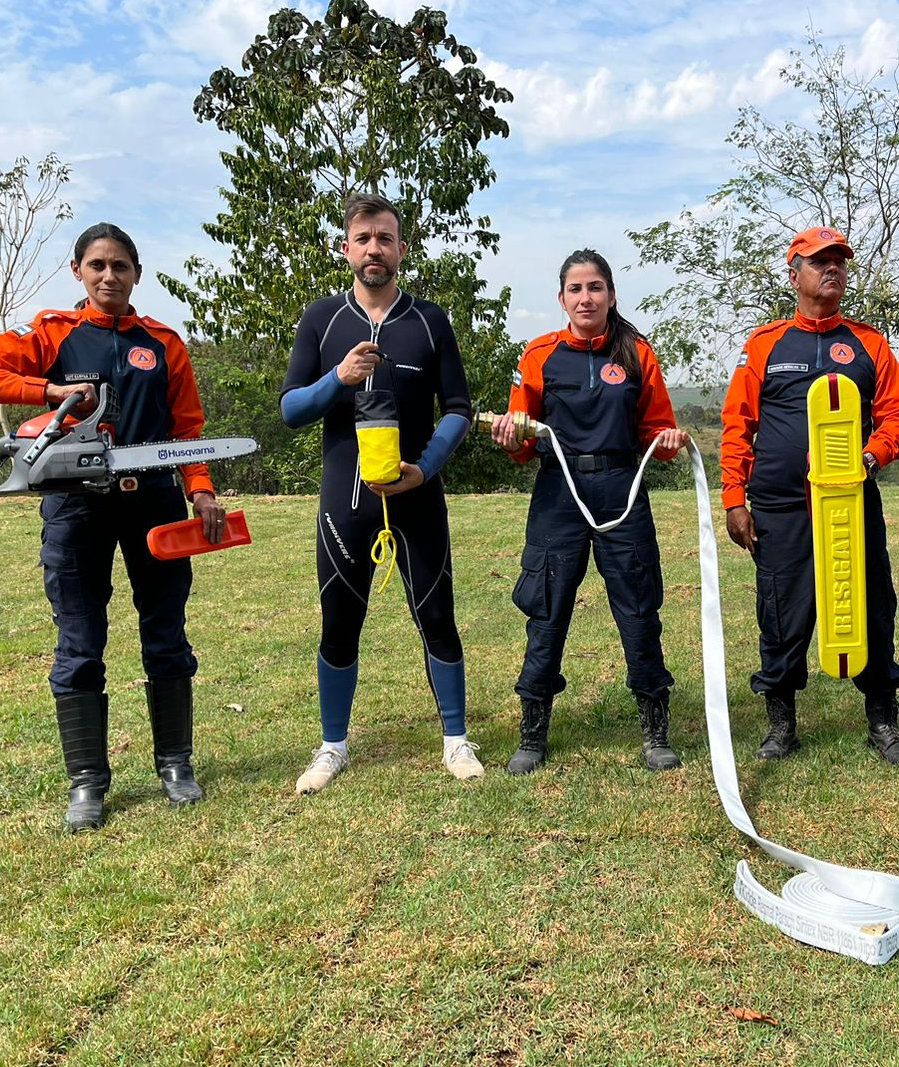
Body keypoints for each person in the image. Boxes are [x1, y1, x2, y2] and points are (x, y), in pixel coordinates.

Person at [0, 222, 227, 831]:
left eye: (120, 266)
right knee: (79, 641)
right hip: (75, 508)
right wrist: (48, 390)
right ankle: (87, 782)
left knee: (167, 633)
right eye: (97, 265)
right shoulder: (53, 333)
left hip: (153, 500)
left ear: (136, 273)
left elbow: (187, 431)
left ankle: (175, 763)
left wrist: (200, 491)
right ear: (78, 271)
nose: (109, 276)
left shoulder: (162, 343)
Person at [280, 193, 483, 789]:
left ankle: (457, 740)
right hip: (347, 501)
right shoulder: (322, 318)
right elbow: (291, 410)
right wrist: (337, 378)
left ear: (401, 248)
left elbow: (460, 409)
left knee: (437, 615)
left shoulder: (429, 320)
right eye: (364, 238)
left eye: (386, 238)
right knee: (339, 620)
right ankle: (332, 747)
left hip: (417, 492)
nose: (375, 249)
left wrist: (426, 467)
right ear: (347, 248)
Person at [719, 226, 899, 764]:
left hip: (851, 500)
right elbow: (738, 423)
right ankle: (781, 724)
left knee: (872, 603)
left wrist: (870, 457)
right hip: (781, 506)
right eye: (818, 261)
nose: (831, 269)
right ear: (794, 275)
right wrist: (734, 497)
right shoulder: (765, 344)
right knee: (782, 610)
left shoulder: (868, 343)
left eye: (839, 261)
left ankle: (883, 722)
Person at [489, 250, 691, 775]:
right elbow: (521, 440)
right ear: (561, 299)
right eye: (576, 289)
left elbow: (657, 432)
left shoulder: (637, 351)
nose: (586, 298)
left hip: (621, 488)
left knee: (639, 608)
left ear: (611, 294)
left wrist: (669, 440)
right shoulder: (539, 356)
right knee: (547, 610)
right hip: (559, 492)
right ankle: (532, 732)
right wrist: (511, 438)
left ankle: (655, 730)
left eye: (596, 287)